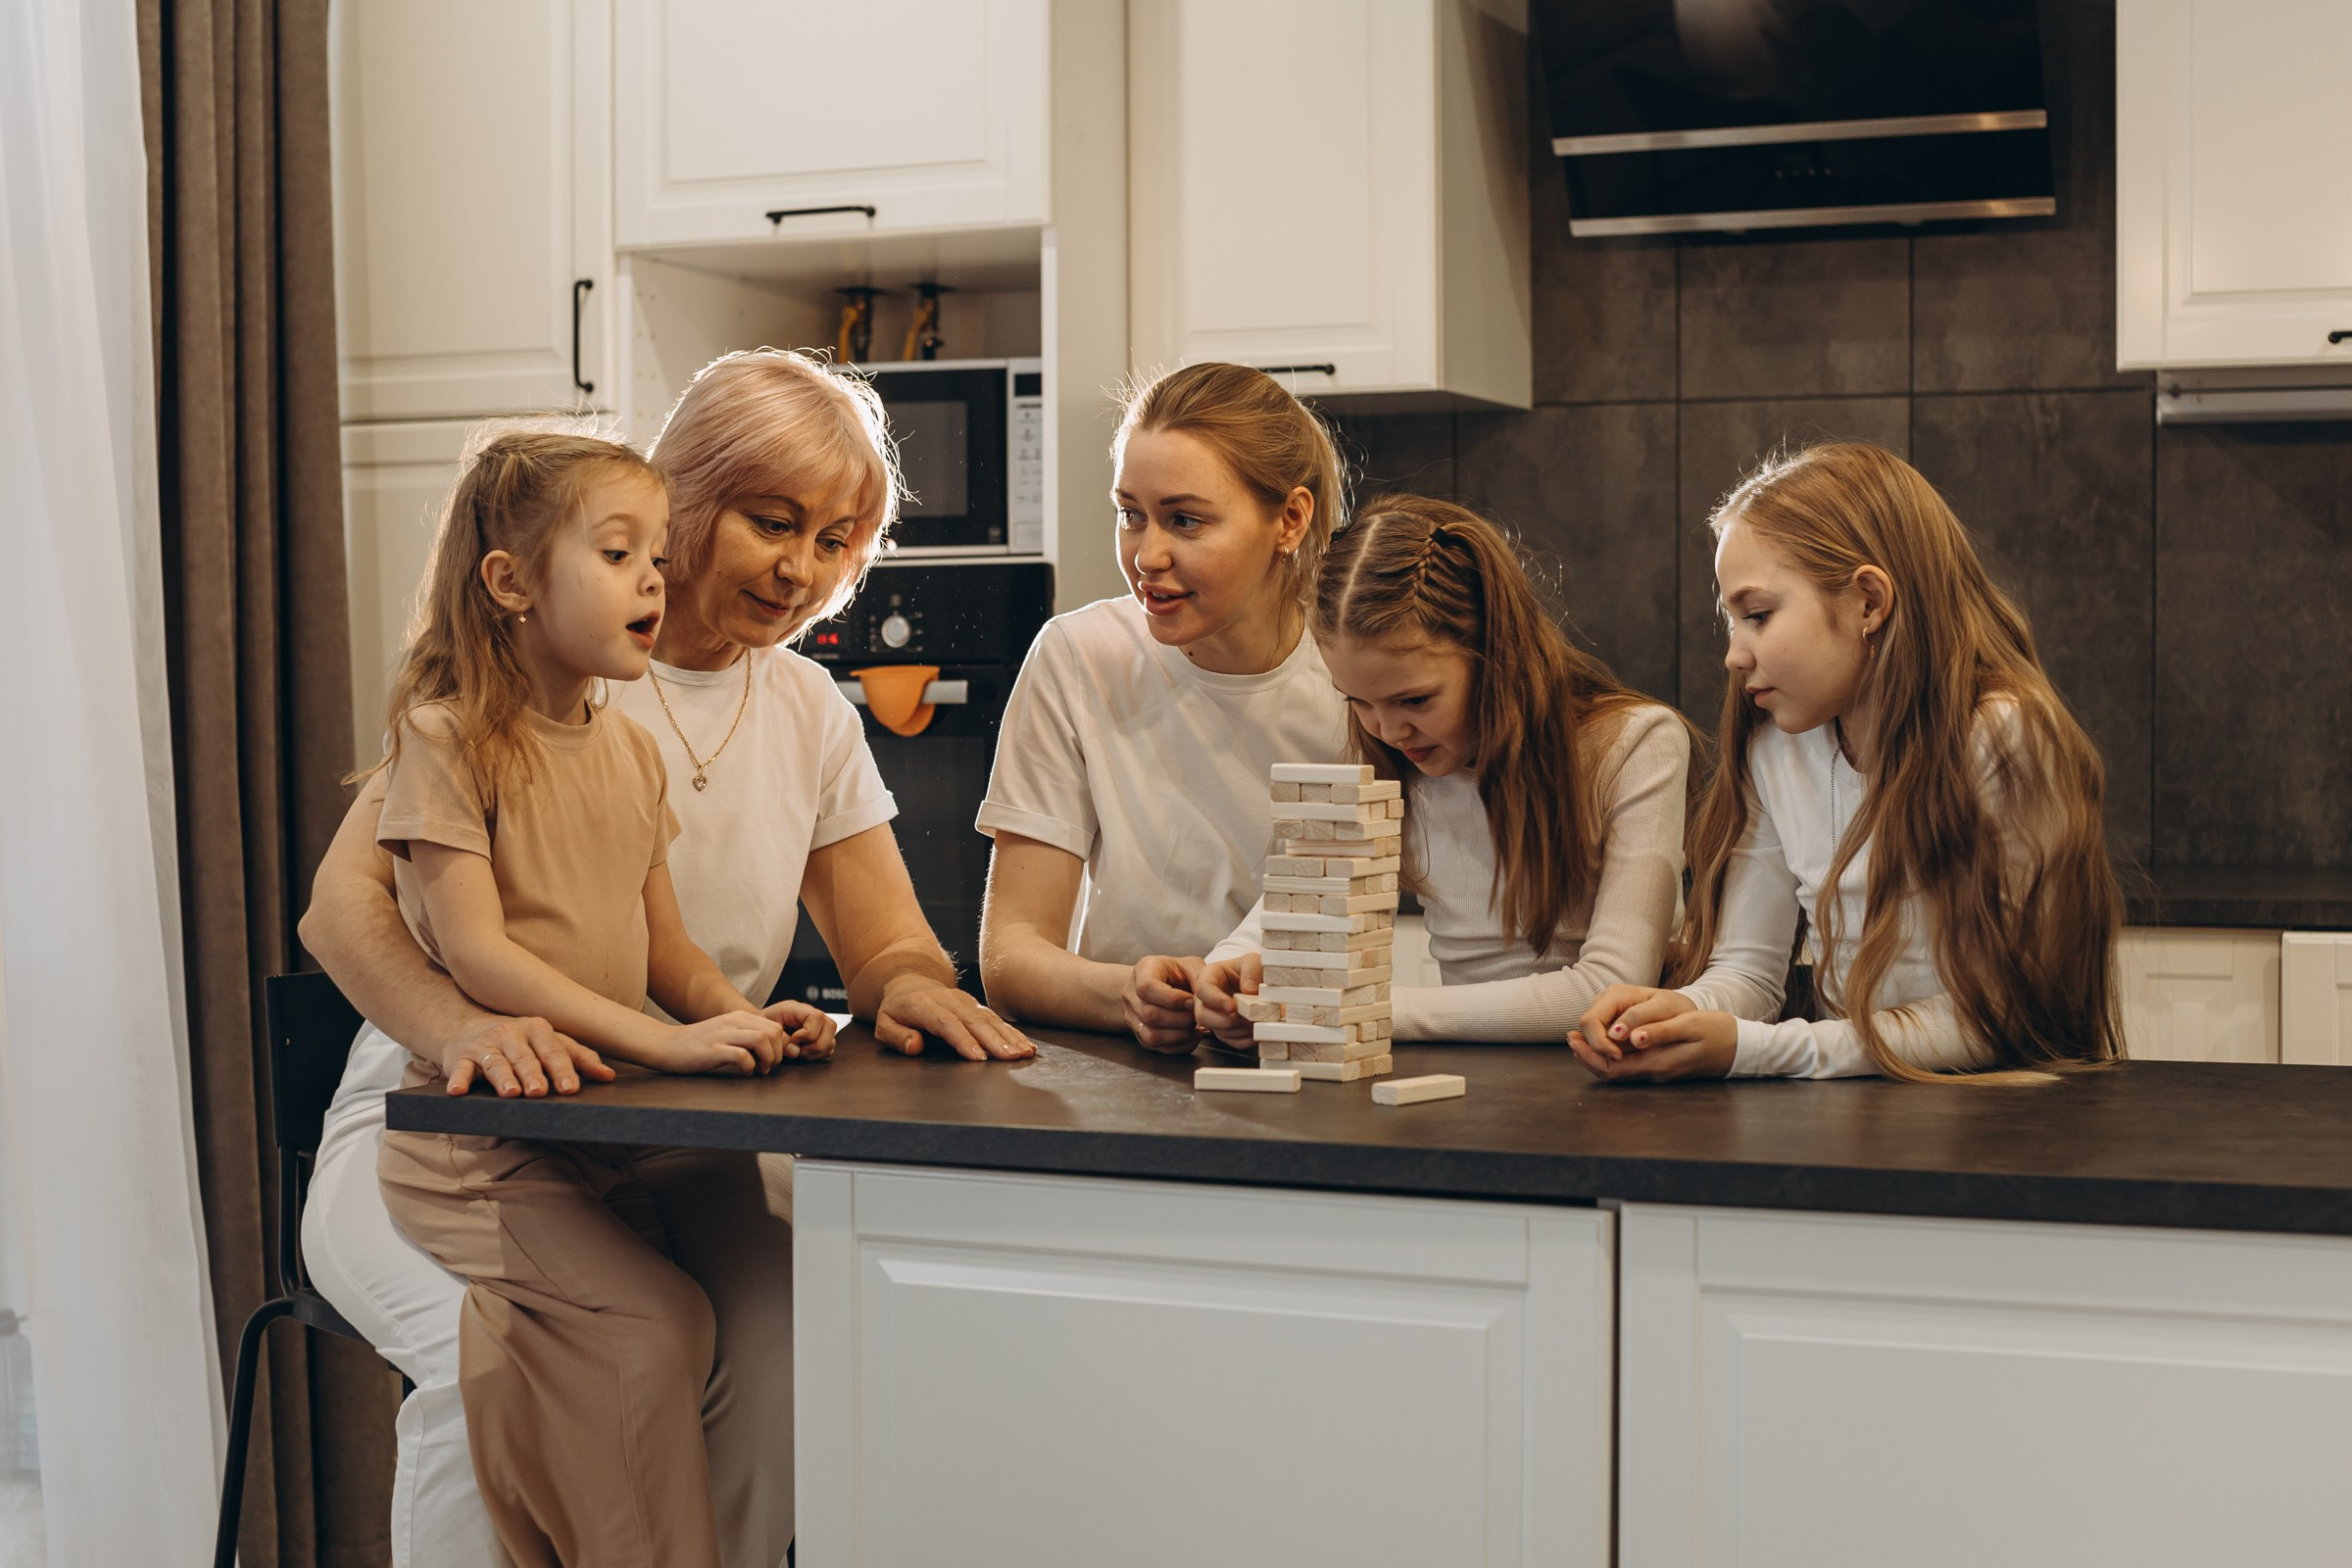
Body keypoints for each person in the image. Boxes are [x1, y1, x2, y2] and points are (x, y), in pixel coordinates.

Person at [299, 349, 1033, 1568]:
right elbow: (341, 912)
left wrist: (908, 985)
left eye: (839, 539)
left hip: (663, 1129)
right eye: (773, 522)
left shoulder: (808, 708)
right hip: (447, 1126)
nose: (804, 568)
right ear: (680, 493)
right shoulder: (539, 675)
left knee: (787, 1342)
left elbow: (885, 936)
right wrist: (463, 1030)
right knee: (502, 1353)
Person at [1570, 441, 2126, 1082]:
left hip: (2005, 1126)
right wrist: (1670, 1015)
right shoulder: (1775, 744)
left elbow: (1992, 1020)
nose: (1734, 655)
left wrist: (1752, 1050)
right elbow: (1748, 973)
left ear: (1868, 602)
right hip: (1861, 1110)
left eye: (1757, 615)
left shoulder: (2001, 735)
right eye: (1732, 621)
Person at [1192, 495, 1691, 1043]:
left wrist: (1362, 1012)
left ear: (1494, 655)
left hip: (1613, 1082)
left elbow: (1609, 989)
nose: (1388, 730)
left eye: (1415, 701)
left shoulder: (1636, 742)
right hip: (1470, 1077)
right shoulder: (1390, 758)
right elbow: (1295, 904)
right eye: (1357, 700)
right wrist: (1233, 967)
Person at [976, 362, 1350, 1051]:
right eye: (1131, 516)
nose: (1147, 554)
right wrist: (1129, 994)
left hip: (1313, 1059)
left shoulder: (1358, 678)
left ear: (1290, 519)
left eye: (1185, 520)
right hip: (1121, 1067)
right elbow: (1010, 955)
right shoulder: (1078, 656)